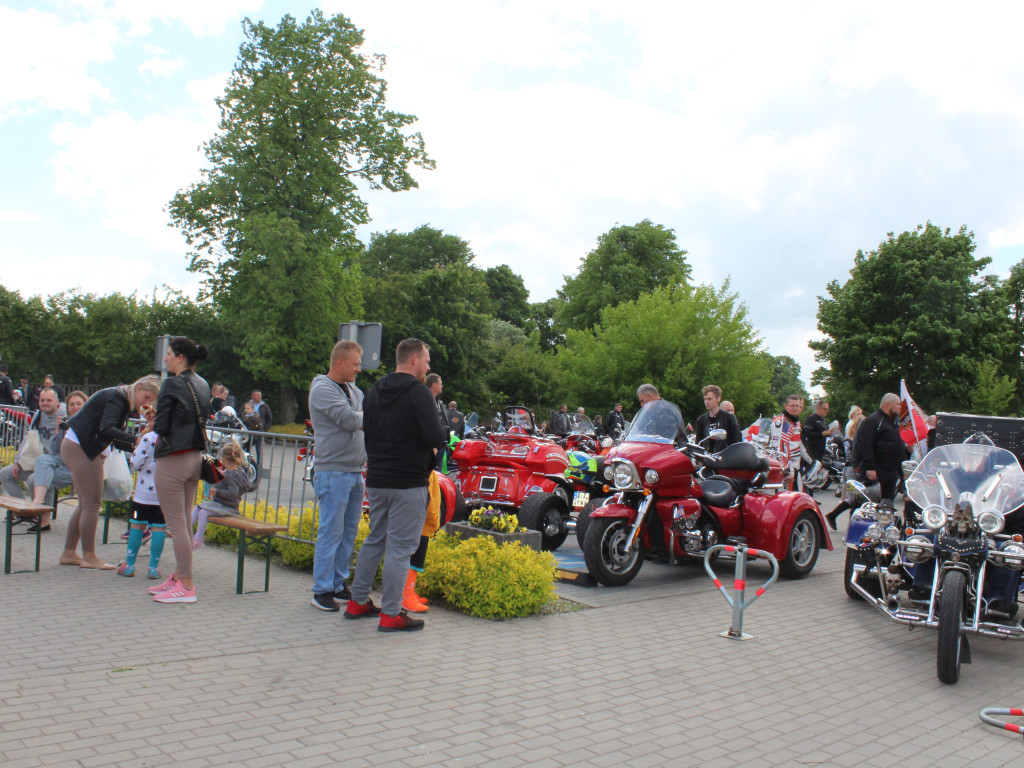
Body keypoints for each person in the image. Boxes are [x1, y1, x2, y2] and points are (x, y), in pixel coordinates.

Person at [345, 338, 446, 632]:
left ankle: (357, 601)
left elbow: (368, 429)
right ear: (413, 359)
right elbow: (434, 435)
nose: (428, 366)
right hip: (409, 481)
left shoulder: (375, 390)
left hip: (377, 478)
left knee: (376, 539)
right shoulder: (419, 393)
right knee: (401, 548)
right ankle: (391, 613)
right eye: (426, 360)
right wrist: (434, 448)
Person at [59, 376, 160, 569]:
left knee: (84, 505)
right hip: (81, 448)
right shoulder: (117, 398)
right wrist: (137, 441)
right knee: (91, 505)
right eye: (146, 397)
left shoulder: (121, 398)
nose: (146, 403)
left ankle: (69, 553)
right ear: (137, 388)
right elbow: (107, 430)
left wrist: (141, 436)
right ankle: (89, 557)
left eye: (150, 401)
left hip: (77, 445)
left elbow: (111, 435)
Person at [149, 336, 211, 604]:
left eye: (169, 354)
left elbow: (161, 426)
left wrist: (152, 417)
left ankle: (186, 585)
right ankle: (178, 577)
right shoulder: (203, 383)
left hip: (173, 458)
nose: (166, 358)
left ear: (180, 358)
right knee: (184, 522)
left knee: (177, 525)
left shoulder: (171, 383)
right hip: (194, 458)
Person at [308, 340, 365, 612]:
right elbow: (351, 420)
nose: (359, 369)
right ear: (339, 362)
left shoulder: (354, 389)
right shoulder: (322, 389)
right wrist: (374, 413)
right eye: (355, 364)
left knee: (348, 532)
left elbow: (360, 416)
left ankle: (339, 584)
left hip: (354, 470)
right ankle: (321, 590)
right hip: (333, 471)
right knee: (331, 531)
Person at [0, 387, 66, 525]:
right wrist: (18, 461)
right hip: (38, 460)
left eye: (49, 400)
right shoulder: (38, 415)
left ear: (57, 403)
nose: (45, 403)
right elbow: (28, 438)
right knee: (5, 474)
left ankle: (43, 517)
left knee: (34, 478)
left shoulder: (65, 416)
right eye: (42, 400)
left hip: (59, 463)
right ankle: (25, 512)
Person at [24, 389, 87, 531]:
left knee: (39, 476)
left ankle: (39, 509)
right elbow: (54, 449)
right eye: (72, 404)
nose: (75, 407)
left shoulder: (91, 424)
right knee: (40, 467)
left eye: (79, 404)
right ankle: (41, 513)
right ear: (67, 407)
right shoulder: (66, 422)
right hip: (61, 464)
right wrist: (59, 431)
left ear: (85, 405)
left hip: (80, 468)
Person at [116, 403, 166, 579]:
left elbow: (135, 463)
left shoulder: (148, 438)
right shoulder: (172, 438)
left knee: (137, 525)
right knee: (159, 529)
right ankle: (153, 568)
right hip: (163, 493)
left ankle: (129, 565)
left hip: (143, 494)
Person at [190, 440, 248, 550]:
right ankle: (185, 531)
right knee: (199, 507)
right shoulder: (232, 472)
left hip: (228, 507)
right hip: (221, 504)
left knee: (203, 512)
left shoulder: (232, 476)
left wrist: (217, 492)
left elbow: (233, 493)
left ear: (224, 459)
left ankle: (198, 540)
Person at [853, 393, 905, 500]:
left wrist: (901, 469)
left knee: (887, 502)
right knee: (868, 500)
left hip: (892, 470)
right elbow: (865, 444)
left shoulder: (893, 422)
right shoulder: (873, 420)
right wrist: (870, 467)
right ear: (888, 404)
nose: (899, 407)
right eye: (898, 404)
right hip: (877, 469)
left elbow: (897, 445)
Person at [766, 394, 806, 491]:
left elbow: (799, 445)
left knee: (797, 498)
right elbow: (778, 448)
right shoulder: (780, 422)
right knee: (784, 500)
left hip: (796, 467)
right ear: (786, 406)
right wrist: (787, 471)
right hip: (786, 468)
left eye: (797, 406)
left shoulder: (796, 422)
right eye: (792, 405)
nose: (795, 408)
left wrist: (812, 461)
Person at [694, 385, 742, 454]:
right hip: (708, 458)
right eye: (705, 399)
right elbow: (699, 442)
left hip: (725, 458)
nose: (706, 402)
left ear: (718, 399)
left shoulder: (729, 417)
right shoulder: (701, 419)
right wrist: (699, 458)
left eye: (709, 399)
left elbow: (736, 441)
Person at [425, 374, 452, 471]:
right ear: (433, 384)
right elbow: (425, 424)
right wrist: (432, 446)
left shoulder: (439, 402)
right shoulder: (425, 401)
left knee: (439, 476)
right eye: (440, 384)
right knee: (431, 474)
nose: (442, 386)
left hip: (442, 445)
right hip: (432, 447)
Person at [802, 399, 837, 463]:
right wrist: (821, 434)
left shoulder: (822, 420)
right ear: (819, 408)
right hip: (812, 451)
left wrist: (829, 433)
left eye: (827, 409)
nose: (827, 411)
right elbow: (807, 433)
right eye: (825, 409)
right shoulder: (811, 419)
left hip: (821, 451)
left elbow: (824, 433)